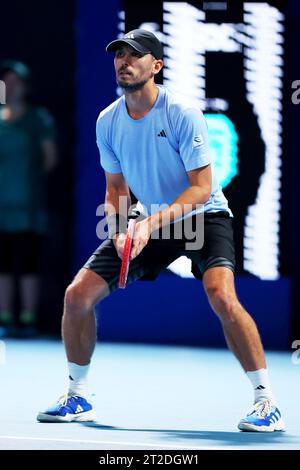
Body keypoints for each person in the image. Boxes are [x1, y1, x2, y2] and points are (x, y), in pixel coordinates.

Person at [37, 30, 284, 432]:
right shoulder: (108, 121)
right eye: (119, 54)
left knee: (221, 295)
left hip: (203, 216)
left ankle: (265, 401)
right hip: (147, 220)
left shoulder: (181, 112)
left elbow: (202, 187)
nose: (124, 61)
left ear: (156, 66)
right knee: (77, 296)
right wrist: (120, 229)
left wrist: (149, 223)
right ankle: (77, 395)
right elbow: (116, 189)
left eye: (135, 55)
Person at [0, 60, 57, 337]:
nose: (11, 86)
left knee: (27, 264)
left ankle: (28, 320)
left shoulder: (39, 118)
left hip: (29, 207)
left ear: (25, 86)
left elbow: (49, 158)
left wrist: (28, 183)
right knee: (3, 265)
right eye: (6, 81)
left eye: (16, 81)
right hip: (1, 208)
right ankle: (5, 319)